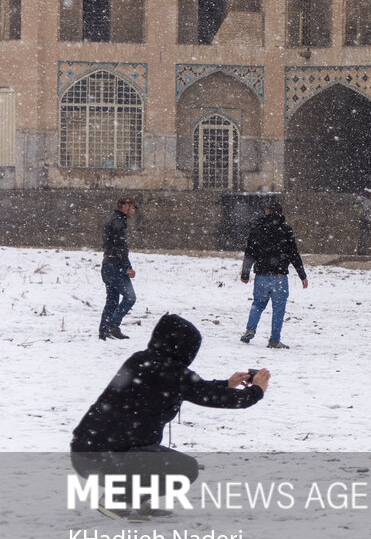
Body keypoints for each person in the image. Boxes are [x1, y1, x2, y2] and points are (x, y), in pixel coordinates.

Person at [71, 313, 270, 519]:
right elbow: (209, 395)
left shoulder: (141, 360)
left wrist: (226, 384)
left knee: (155, 456)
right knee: (186, 469)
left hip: (85, 452)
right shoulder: (172, 373)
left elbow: (192, 388)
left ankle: (135, 499)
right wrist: (256, 391)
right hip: (104, 459)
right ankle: (116, 499)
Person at [239, 201, 308, 349]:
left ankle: (250, 329)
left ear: (267, 212)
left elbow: (249, 254)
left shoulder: (257, 230)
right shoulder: (286, 230)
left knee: (257, 304)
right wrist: (302, 275)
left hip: (261, 275)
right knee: (279, 309)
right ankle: (274, 340)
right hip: (280, 276)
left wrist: (245, 273)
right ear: (281, 213)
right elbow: (294, 254)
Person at [99, 196, 137, 340]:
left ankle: (103, 332)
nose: (133, 210)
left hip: (107, 265)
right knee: (130, 297)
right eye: (132, 206)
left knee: (112, 301)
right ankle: (113, 325)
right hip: (115, 267)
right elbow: (120, 246)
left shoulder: (114, 219)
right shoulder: (118, 221)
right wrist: (127, 267)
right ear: (124, 206)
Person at [356, 189, 371, 256]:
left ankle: (360, 250)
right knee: (364, 236)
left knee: (362, 235)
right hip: (367, 220)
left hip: (362, 219)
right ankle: (362, 251)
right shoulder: (366, 200)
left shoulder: (362, 199)